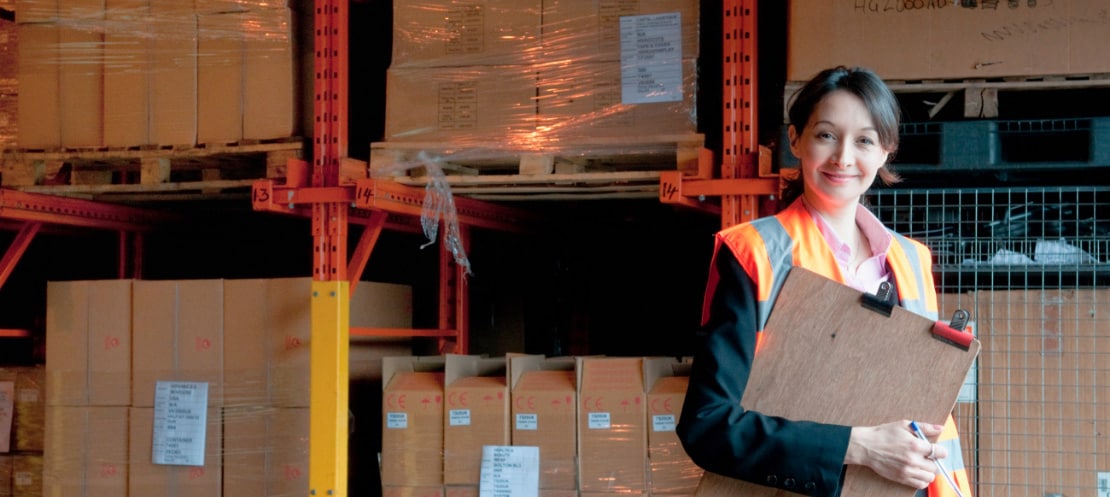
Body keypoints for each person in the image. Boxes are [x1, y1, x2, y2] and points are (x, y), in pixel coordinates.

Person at [676, 66, 974, 497]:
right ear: (795, 140)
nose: (843, 158)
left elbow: (927, 410)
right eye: (826, 135)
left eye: (864, 141)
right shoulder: (755, 253)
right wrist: (857, 447)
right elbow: (708, 426)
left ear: (886, 151)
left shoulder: (912, 261)